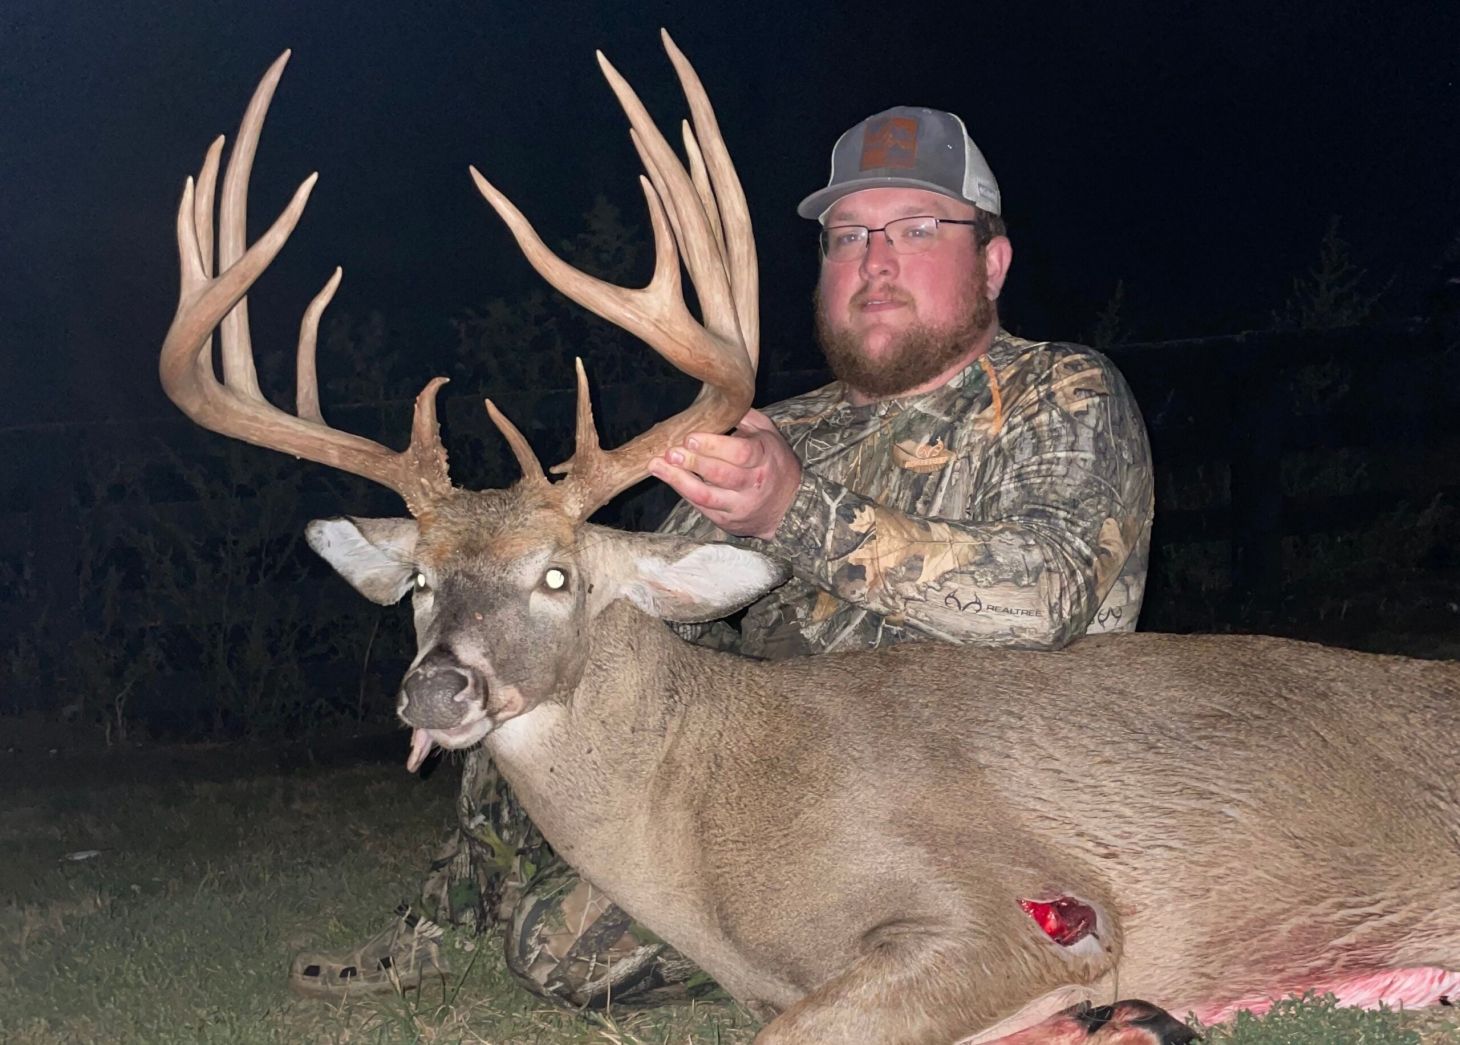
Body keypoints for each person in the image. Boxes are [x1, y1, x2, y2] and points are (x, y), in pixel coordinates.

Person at [289, 105, 1155, 1010]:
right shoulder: (781, 431)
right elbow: (642, 592)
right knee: (553, 631)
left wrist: (794, 508)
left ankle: (914, 964)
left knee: (564, 949)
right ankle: (445, 919)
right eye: (848, 236)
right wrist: (528, 549)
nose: (877, 259)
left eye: (919, 228)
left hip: (982, 795)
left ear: (993, 261)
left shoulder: (1064, 393)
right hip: (778, 789)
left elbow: (1047, 597)